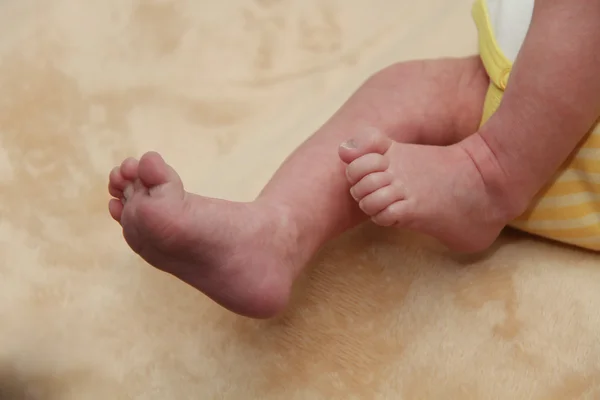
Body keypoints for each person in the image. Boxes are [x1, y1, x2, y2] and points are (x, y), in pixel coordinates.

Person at [107, 0, 600, 318]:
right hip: (539, 104)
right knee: (408, 89)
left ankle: (488, 175)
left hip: (536, 128)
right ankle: (278, 232)